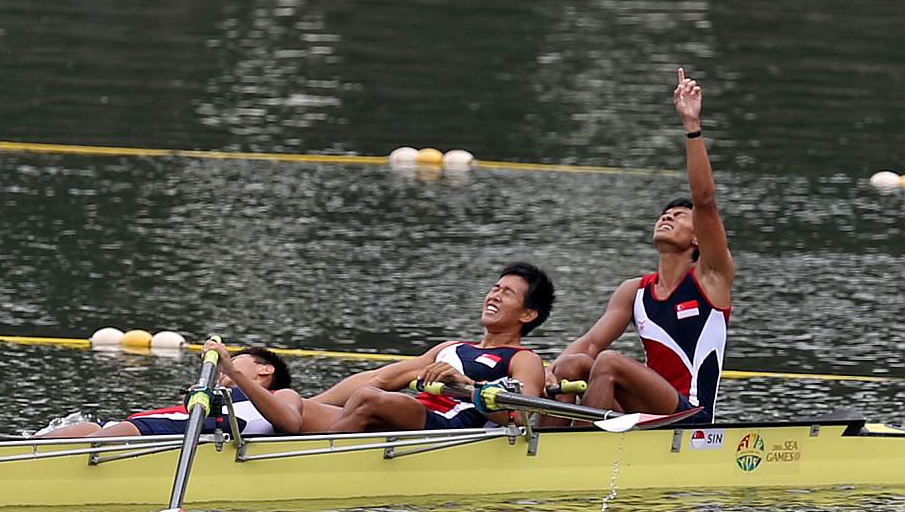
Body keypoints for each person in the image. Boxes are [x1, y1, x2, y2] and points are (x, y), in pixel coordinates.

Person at [549, 68, 734, 424]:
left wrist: (691, 127)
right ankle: (543, 453)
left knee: (609, 363)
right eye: (665, 214)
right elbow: (588, 345)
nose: (667, 217)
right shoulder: (634, 291)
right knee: (573, 364)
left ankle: (579, 452)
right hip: (650, 410)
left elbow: (706, 200)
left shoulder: (712, 278)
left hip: (689, 414)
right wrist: (550, 371)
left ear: (697, 237)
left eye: (680, 216)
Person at [303, 262, 555, 433]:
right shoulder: (451, 347)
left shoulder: (524, 359)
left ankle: (317, 465)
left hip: (453, 429)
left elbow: (520, 415)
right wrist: (309, 402)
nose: (494, 296)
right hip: (417, 416)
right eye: (495, 288)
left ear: (528, 314)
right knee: (293, 404)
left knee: (369, 399)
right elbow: (378, 378)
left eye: (507, 293)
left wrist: (466, 385)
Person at [37, 346, 303, 438]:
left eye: (237, 358)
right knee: (84, 428)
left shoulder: (282, 394)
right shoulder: (220, 391)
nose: (227, 363)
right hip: (143, 425)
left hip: (153, 433)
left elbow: (291, 423)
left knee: (99, 437)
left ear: (265, 370)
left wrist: (234, 372)